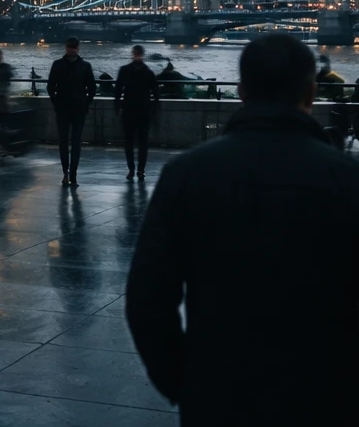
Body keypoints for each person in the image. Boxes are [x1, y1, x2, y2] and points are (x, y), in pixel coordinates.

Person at [126, 32, 359, 424]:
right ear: (311, 94)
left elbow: (147, 300)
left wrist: (184, 384)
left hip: (218, 396)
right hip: (325, 399)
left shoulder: (185, 174)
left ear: (241, 91)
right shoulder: (349, 181)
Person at [47, 37, 96, 187]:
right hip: (70, 109)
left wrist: (56, 101)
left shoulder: (59, 65)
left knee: (72, 142)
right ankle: (67, 172)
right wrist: (85, 101)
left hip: (70, 109)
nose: (71, 50)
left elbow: (51, 88)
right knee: (68, 142)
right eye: (70, 47)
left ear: (77, 49)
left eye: (73, 47)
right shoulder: (84, 66)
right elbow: (92, 89)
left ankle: (71, 173)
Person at [114, 44, 159, 180]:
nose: (136, 55)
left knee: (132, 142)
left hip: (130, 110)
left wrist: (118, 107)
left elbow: (117, 91)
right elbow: (156, 93)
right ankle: (138, 169)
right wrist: (153, 110)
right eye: (136, 53)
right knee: (140, 142)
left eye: (137, 53)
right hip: (141, 111)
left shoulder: (124, 70)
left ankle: (135, 169)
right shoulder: (148, 72)